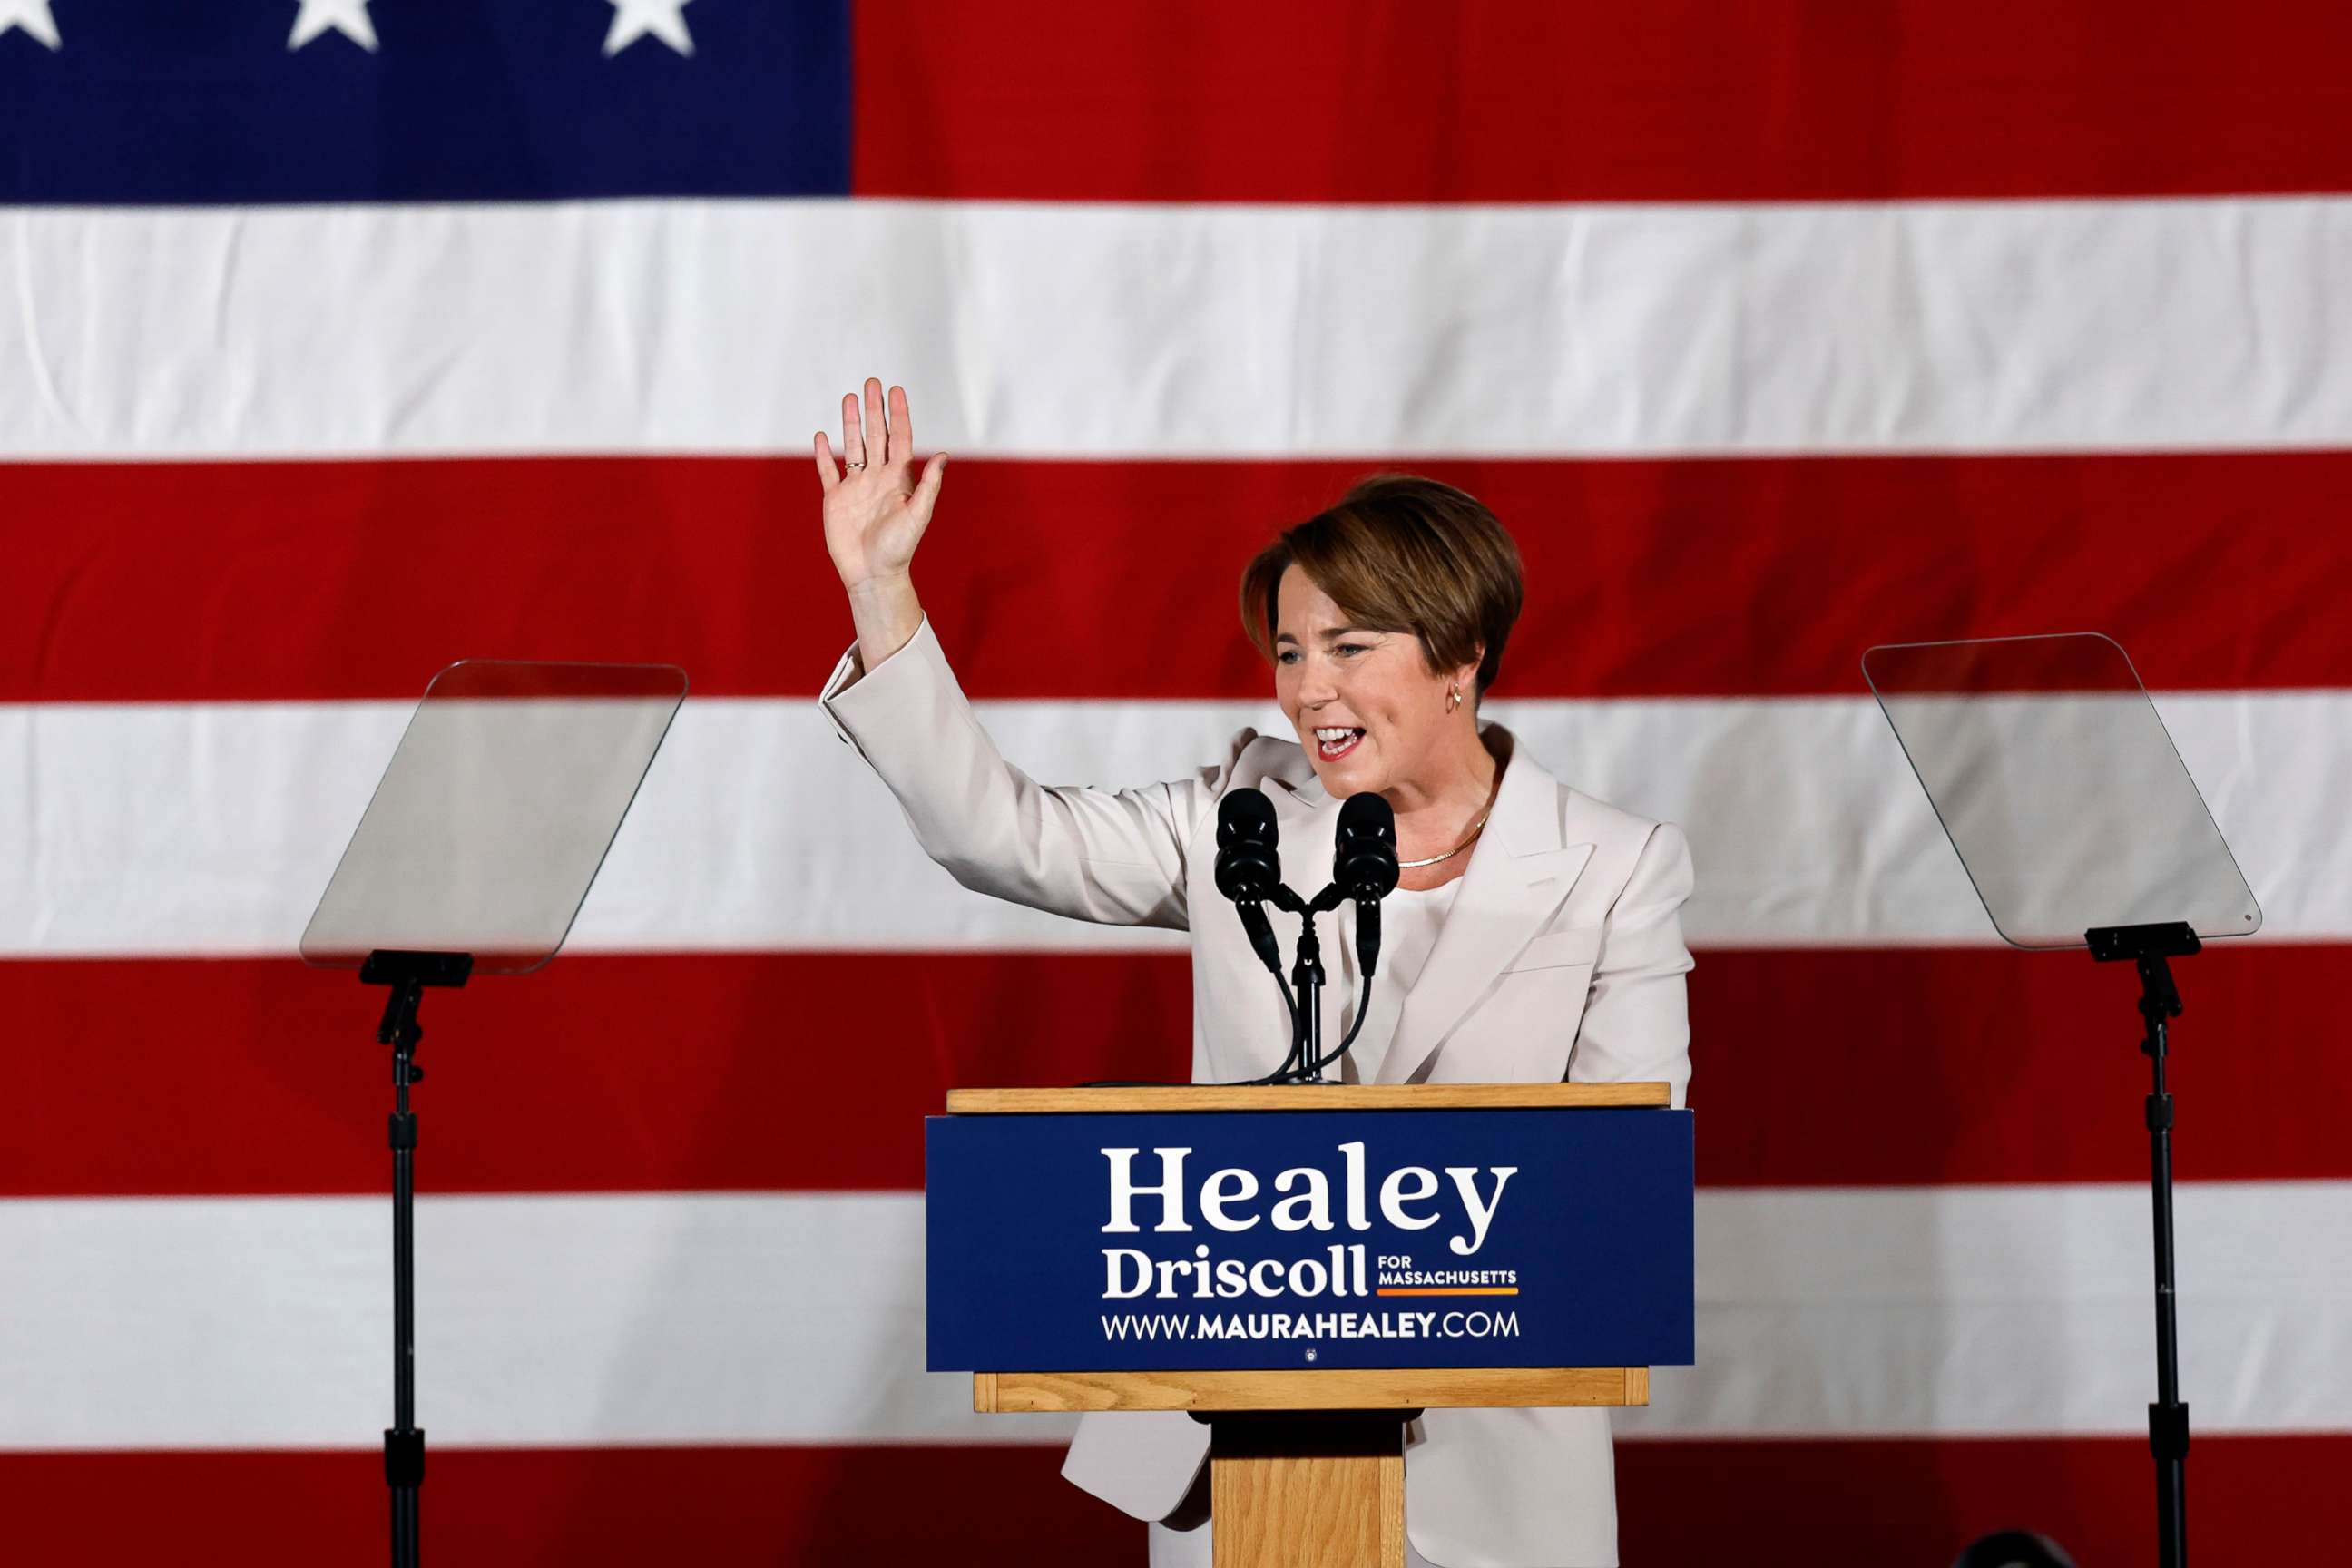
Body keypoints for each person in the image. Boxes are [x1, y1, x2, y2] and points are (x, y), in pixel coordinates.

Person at [814, 379, 1694, 1568]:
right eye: (1287, 650)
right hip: (1240, 1467)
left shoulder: (1615, 867)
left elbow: (1613, 1186)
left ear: (1461, 656)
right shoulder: (1243, 818)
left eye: (1348, 646)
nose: (1305, 689)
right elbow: (997, 836)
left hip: (1494, 1491)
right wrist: (881, 588)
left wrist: (1347, 1258)